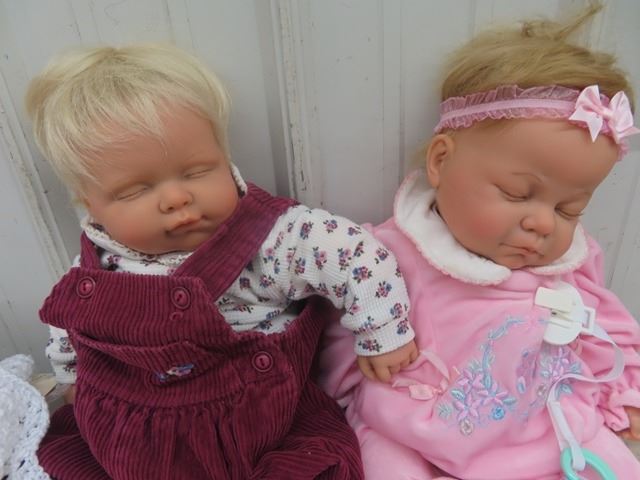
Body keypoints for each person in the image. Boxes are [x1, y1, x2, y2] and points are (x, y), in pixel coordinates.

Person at [25, 43, 418, 479]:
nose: (176, 198)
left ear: (224, 158)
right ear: (90, 206)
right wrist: (73, 378)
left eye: (197, 171)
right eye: (135, 190)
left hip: (264, 431)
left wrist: (383, 331)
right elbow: (70, 325)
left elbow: (357, 254)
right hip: (133, 442)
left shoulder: (272, 239)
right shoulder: (94, 269)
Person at [320, 4, 640, 479]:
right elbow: (342, 339)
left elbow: (609, 327)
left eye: (568, 209)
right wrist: (350, 381)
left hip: (547, 427)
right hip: (413, 430)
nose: (543, 224)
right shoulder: (390, 255)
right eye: (517, 193)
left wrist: (625, 392)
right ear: (441, 161)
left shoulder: (570, 264)